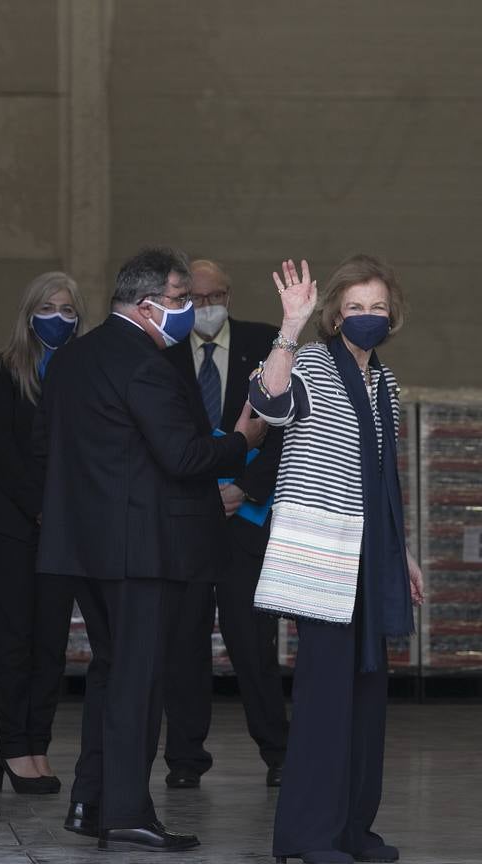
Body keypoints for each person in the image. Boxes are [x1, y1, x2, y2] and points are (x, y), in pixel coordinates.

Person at [34, 247, 267, 852]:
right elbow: (185, 456)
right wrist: (243, 439)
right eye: (180, 299)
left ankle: (90, 801)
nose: (190, 311)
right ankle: (128, 810)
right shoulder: (148, 363)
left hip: (85, 547)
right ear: (146, 305)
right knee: (137, 681)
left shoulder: (73, 357)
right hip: (142, 551)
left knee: (111, 674)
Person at [249, 255, 425, 864]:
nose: (368, 318)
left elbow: (384, 477)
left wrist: (401, 551)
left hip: (372, 554)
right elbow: (270, 404)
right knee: (326, 696)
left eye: (378, 308)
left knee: (366, 694)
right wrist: (289, 328)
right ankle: (308, 832)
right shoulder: (313, 361)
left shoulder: (384, 382)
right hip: (322, 553)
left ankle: (352, 825)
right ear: (335, 313)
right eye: (356, 307)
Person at [161, 259, 289, 789]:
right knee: (184, 642)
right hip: (188, 518)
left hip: (247, 520)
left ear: (229, 297)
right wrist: (204, 491)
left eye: (214, 297)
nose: (206, 307)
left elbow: (287, 426)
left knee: (253, 644)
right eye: (196, 299)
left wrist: (245, 489)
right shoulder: (162, 352)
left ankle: (280, 755)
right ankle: (185, 759)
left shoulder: (266, 345)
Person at [0, 272, 85, 795]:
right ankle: (13, 746)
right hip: (12, 524)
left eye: (68, 309)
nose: (57, 318)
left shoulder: (83, 370)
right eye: (48, 307)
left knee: (51, 642)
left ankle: (38, 743)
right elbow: (4, 454)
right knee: (15, 639)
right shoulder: (2, 369)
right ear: (29, 311)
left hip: (65, 526)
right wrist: (42, 509)